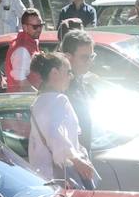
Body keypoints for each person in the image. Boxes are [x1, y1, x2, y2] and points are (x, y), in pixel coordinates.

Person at [27, 51, 95, 185]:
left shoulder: (39, 101)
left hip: (44, 178)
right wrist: (76, 160)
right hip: (62, 179)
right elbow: (55, 134)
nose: (71, 76)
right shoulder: (59, 99)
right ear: (54, 72)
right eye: (68, 71)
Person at [3, 7, 44, 95]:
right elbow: (21, 83)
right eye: (35, 27)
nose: (39, 29)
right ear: (25, 27)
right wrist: (40, 97)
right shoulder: (21, 50)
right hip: (22, 102)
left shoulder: (30, 42)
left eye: (41, 25)